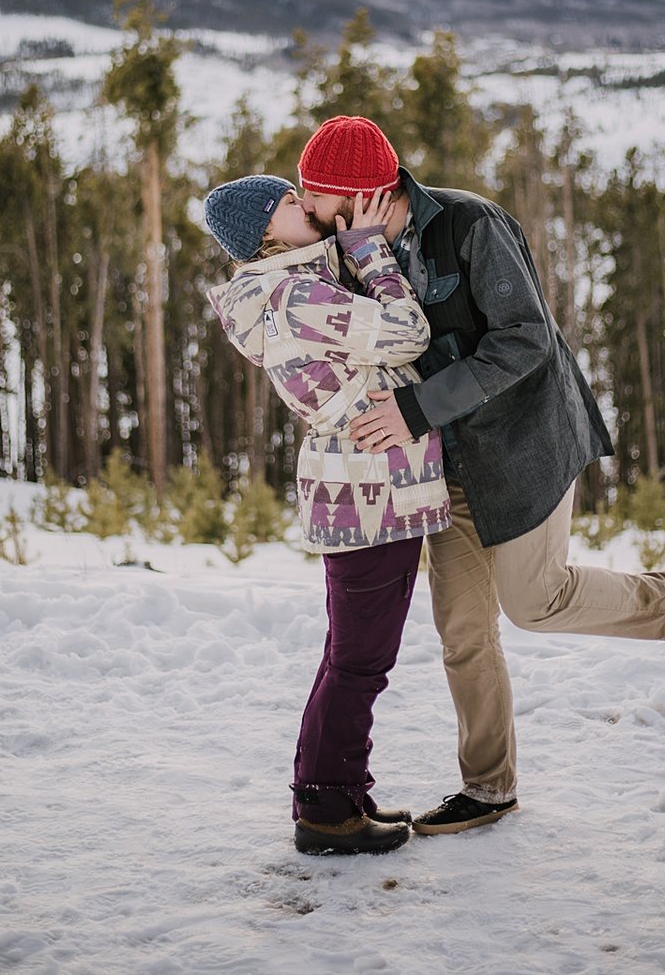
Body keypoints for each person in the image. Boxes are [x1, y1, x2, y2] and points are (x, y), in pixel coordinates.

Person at [296, 115, 665, 836]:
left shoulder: (471, 225)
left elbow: (526, 340)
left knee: (535, 600)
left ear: (362, 194)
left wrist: (417, 409)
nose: (309, 212)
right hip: (444, 465)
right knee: (462, 627)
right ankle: (489, 788)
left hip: (524, 442)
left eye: (317, 199)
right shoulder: (349, 252)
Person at [204, 175, 451, 855]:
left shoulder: (292, 284)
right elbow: (406, 332)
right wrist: (372, 251)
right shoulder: (296, 294)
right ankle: (325, 811)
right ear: (261, 234)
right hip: (368, 491)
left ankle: (341, 792)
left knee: (350, 657)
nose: (304, 205)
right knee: (359, 662)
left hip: (364, 490)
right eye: (288, 204)